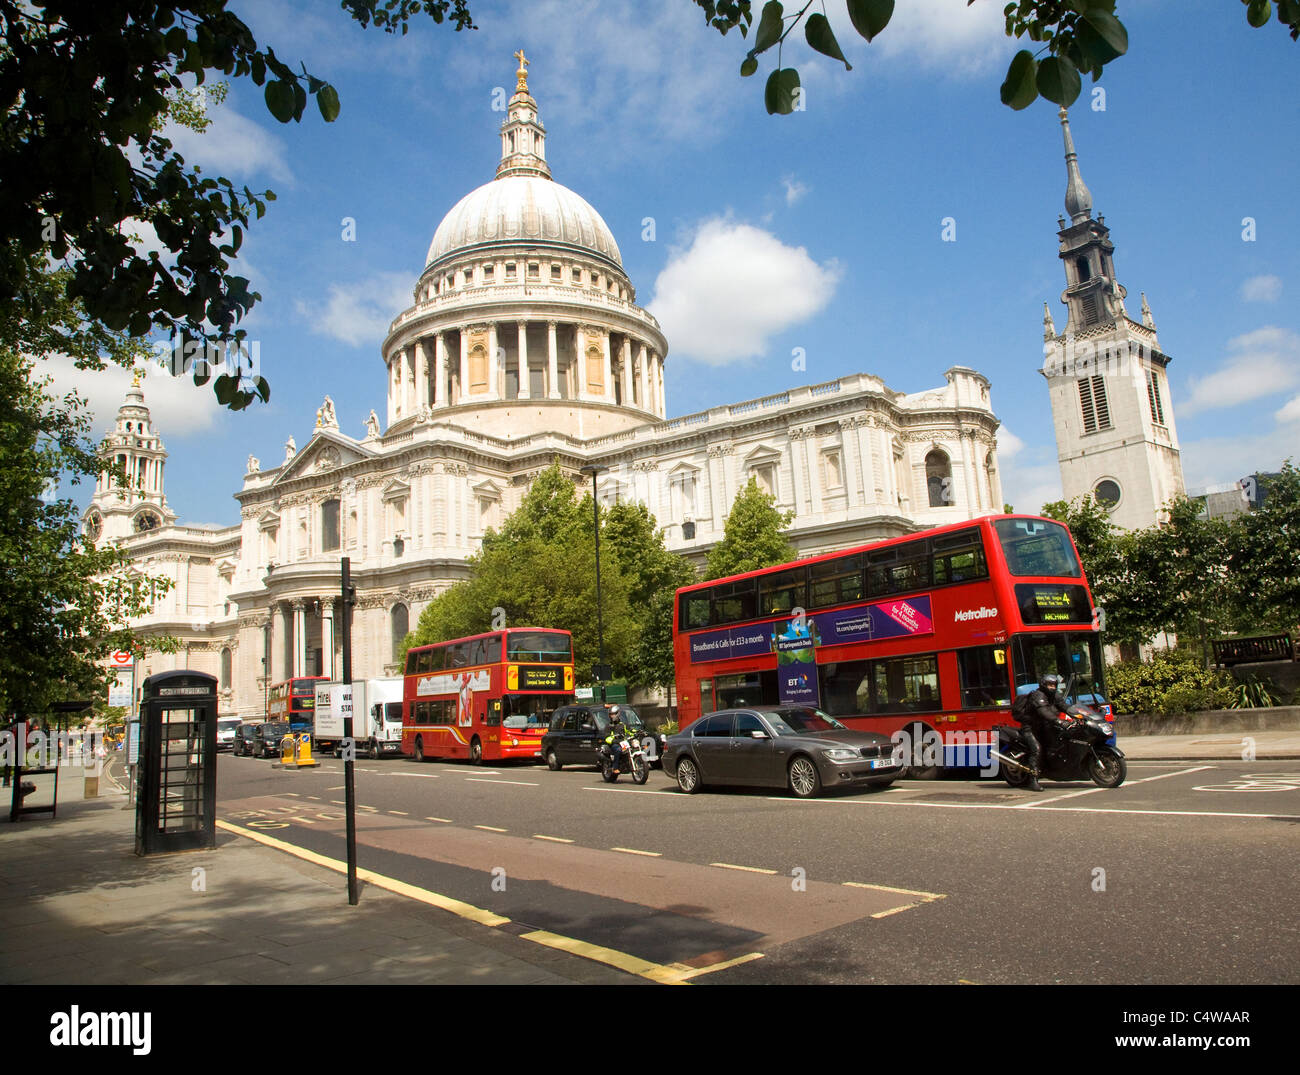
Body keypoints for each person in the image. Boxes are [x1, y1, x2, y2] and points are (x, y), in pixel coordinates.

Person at [1020, 673, 1073, 791]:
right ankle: (1032, 780)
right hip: (1031, 729)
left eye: (1054, 685)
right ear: (1043, 684)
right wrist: (1059, 722)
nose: (1052, 687)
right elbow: (1044, 712)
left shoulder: (1055, 696)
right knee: (1037, 750)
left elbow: (1065, 706)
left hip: (1046, 727)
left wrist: (1082, 715)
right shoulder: (1038, 696)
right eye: (1050, 685)